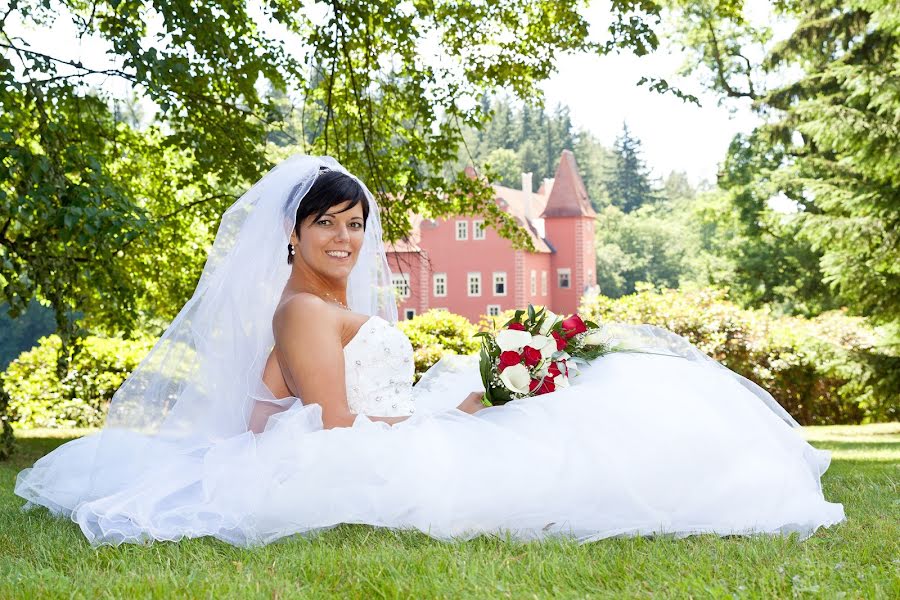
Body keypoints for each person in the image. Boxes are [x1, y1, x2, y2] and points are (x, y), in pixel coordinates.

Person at [15, 156, 845, 547]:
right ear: (293, 234)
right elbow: (337, 426)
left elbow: (319, 398)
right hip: (359, 446)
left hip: (399, 421)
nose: (344, 238)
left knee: (599, 399)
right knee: (570, 447)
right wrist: (446, 418)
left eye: (354, 224)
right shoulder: (302, 309)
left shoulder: (329, 301)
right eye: (325, 224)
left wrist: (466, 402)